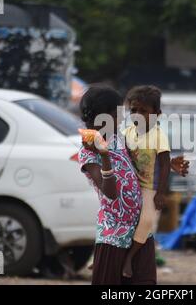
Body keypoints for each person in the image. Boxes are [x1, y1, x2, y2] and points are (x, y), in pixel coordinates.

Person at [78, 85, 188, 285]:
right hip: (114, 237)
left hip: (139, 233)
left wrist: (168, 164)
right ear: (105, 116)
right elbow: (109, 192)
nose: (123, 118)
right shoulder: (89, 151)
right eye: (118, 113)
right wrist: (104, 156)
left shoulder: (119, 138)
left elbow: (141, 162)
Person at [121, 85, 187, 278]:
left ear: (157, 114)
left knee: (147, 222)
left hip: (149, 189)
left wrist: (160, 193)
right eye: (133, 110)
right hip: (130, 188)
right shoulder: (127, 134)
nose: (138, 115)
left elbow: (165, 166)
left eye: (144, 111)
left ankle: (129, 259)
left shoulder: (159, 136)